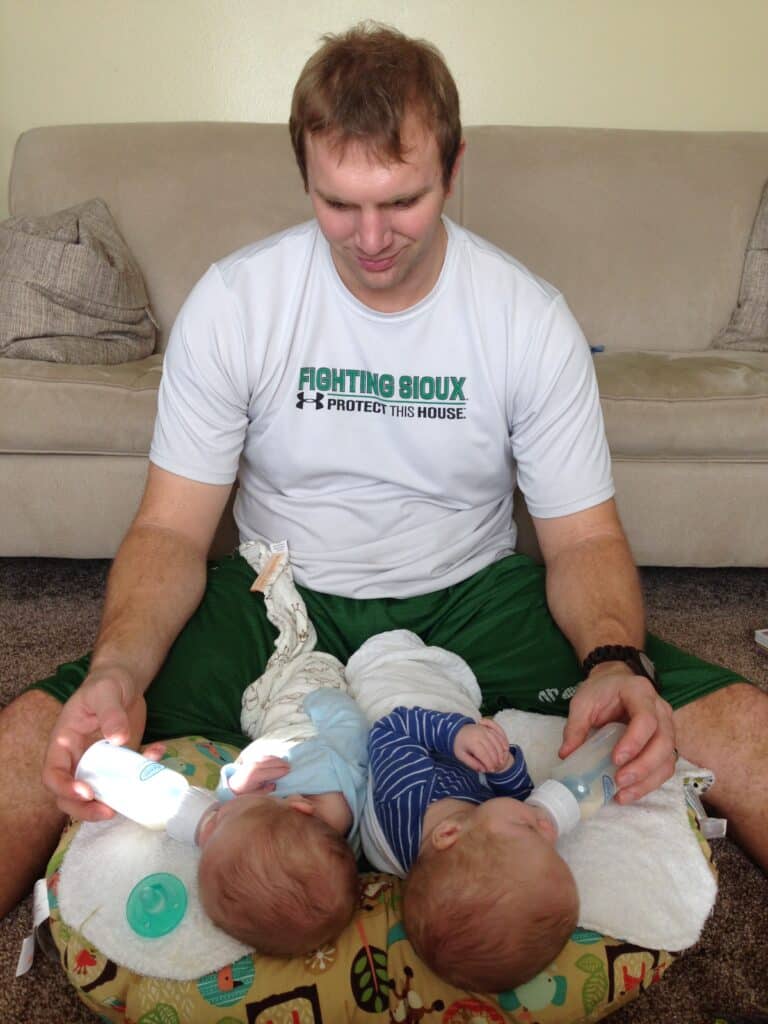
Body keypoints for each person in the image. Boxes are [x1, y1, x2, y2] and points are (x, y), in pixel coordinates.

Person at [1, 21, 765, 924]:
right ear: (305, 175)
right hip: (279, 602)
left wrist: (611, 658)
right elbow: (170, 529)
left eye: (400, 201)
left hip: (472, 598)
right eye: (338, 204)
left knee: (740, 728)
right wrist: (120, 668)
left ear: (452, 166)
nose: (370, 239)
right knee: (32, 739)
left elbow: (586, 535)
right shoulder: (237, 302)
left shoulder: (526, 317)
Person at [364, 705, 579, 991]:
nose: (549, 829)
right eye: (552, 849)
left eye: (529, 829)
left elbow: (390, 728)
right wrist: (505, 770)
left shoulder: (407, 793)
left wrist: (455, 733)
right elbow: (519, 801)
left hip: (408, 704)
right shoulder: (469, 846)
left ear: (450, 832)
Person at [195, 684, 367, 954]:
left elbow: (235, 811)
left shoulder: (288, 828)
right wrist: (319, 697)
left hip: (270, 733)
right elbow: (351, 728)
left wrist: (236, 787)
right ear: (298, 806)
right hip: (308, 720)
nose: (218, 810)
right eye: (226, 813)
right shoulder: (335, 780)